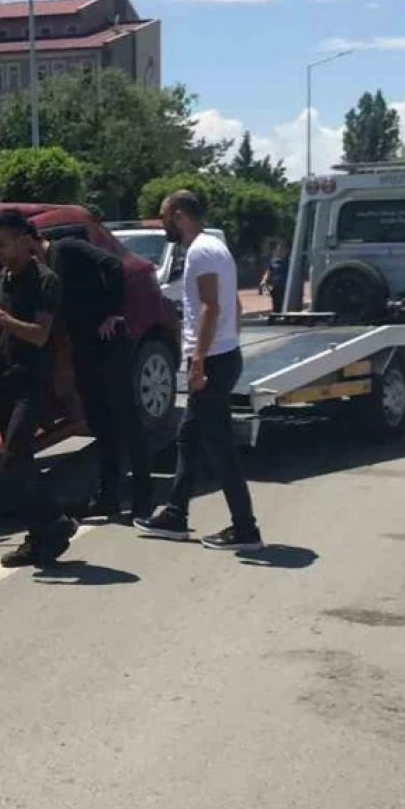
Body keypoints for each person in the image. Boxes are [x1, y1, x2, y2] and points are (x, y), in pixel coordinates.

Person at [134, 190, 263, 551]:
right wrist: (228, 344)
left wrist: (201, 361)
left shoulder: (201, 251)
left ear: (178, 215)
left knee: (219, 445)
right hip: (222, 354)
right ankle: (176, 514)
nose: (161, 224)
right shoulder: (214, 247)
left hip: (212, 361)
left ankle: (245, 528)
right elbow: (233, 304)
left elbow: (210, 308)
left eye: (163, 216)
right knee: (189, 437)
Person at [0, 209, 78, 568]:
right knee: (16, 463)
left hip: (34, 381)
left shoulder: (46, 281)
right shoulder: (4, 280)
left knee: (15, 454)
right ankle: (41, 536)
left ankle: (56, 519)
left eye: (2, 244)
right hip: (5, 380)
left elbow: (38, 334)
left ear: (24, 241)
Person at [37, 228, 153, 522]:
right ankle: (108, 497)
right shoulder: (42, 270)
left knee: (127, 420)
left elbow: (114, 265)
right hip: (84, 349)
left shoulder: (66, 249)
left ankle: (143, 497)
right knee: (101, 425)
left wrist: (114, 312)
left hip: (109, 343)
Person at [261, 240, 291, 314]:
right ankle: (277, 315)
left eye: (283, 249)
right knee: (276, 305)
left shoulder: (290, 260)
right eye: (279, 249)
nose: (280, 251)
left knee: (285, 304)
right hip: (276, 288)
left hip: (286, 288)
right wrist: (264, 281)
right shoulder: (273, 261)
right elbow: (269, 271)